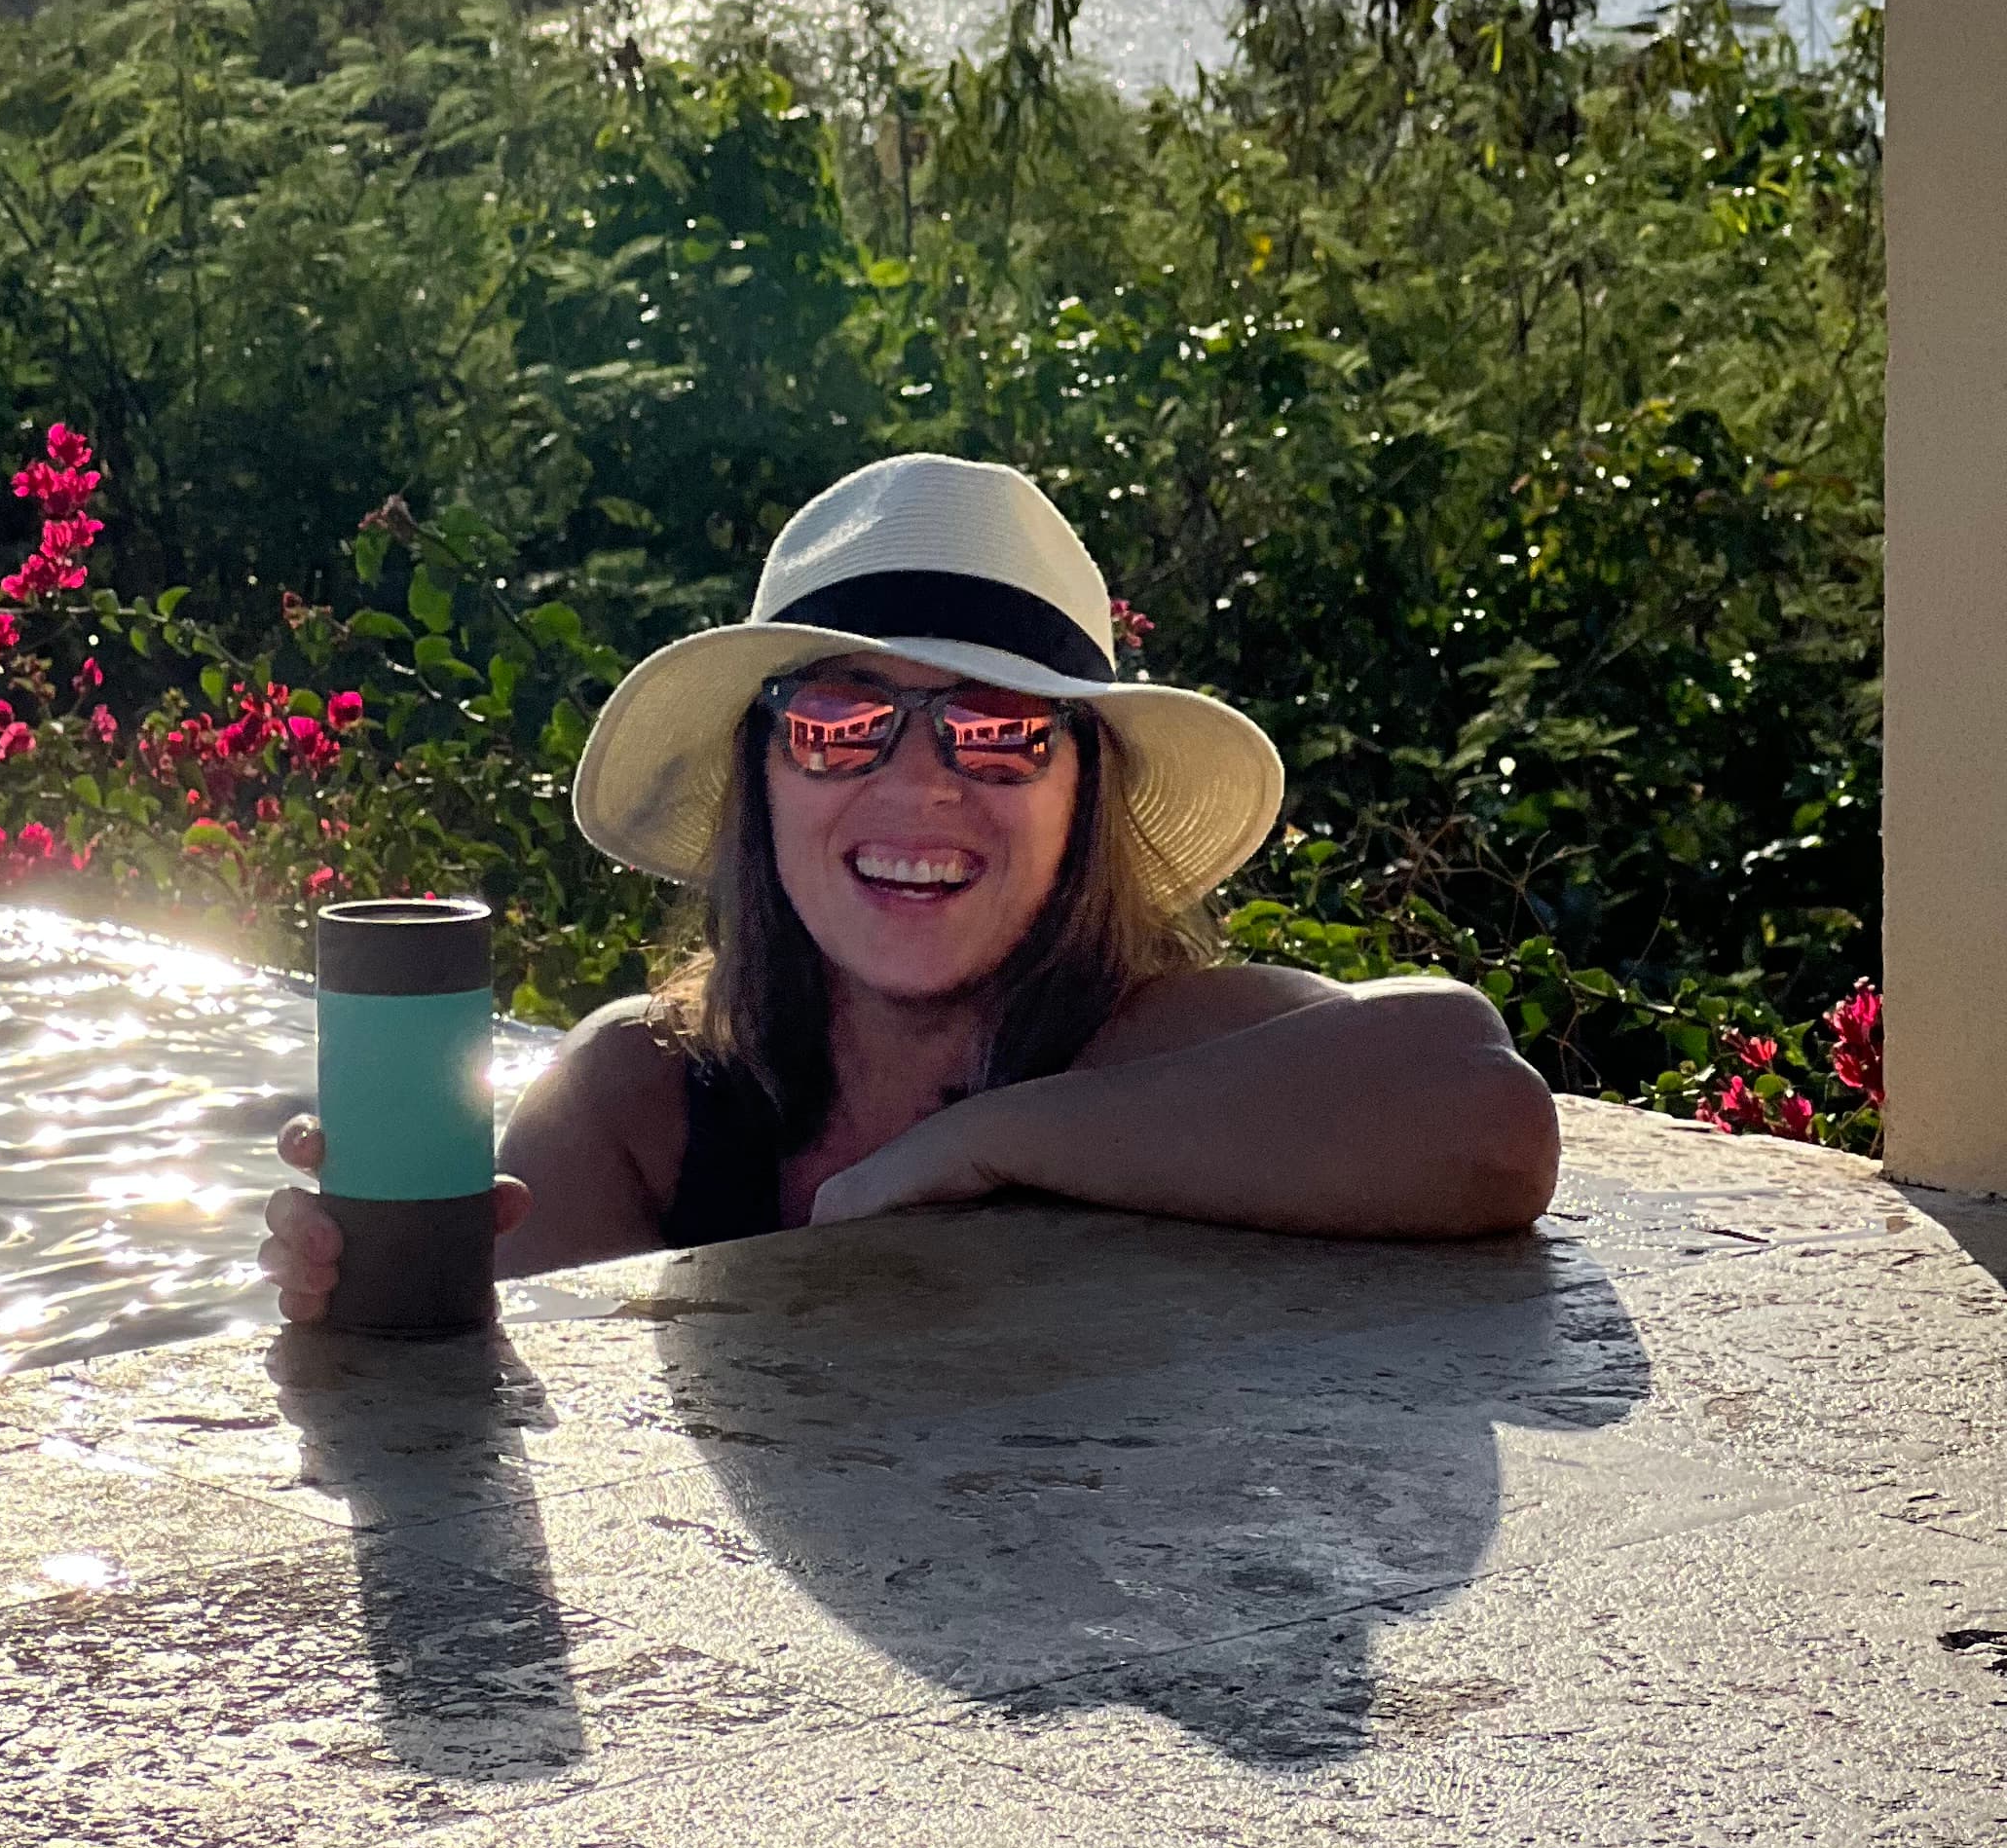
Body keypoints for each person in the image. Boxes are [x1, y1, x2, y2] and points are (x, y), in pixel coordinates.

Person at [262, 454, 1557, 1319]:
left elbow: (1483, 1107)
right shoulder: (645, 1097)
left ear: (1082, 794)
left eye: (999, 731)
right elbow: (511, 1446)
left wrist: (986, 1144)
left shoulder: (1153, 1042)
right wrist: (360, 1316)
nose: (923, 789)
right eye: (839, 722)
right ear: (760, 779)